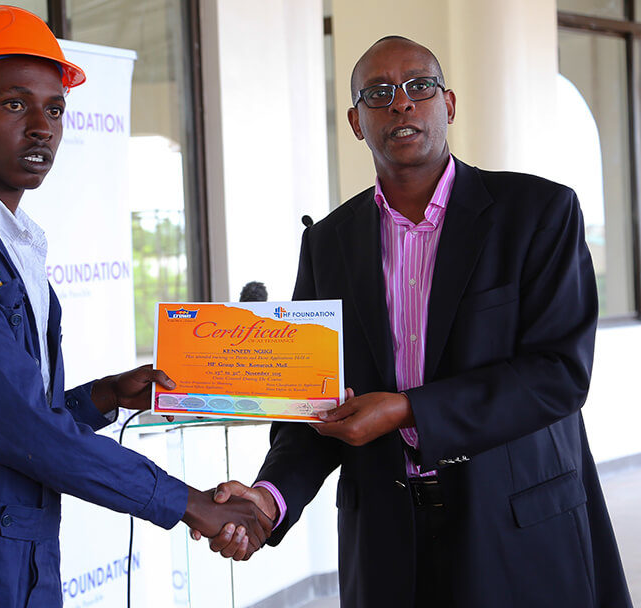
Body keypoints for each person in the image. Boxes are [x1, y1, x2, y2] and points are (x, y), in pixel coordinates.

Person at [0, 6, 270, 607]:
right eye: (15, 104)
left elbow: (13, 412)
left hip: (17, 557)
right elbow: (17, 427)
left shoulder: (12, 244)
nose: (43, 126)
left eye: (55, 108)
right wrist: (191, 504)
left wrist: (107, 397)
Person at [198, 36, 632, 607]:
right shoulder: (328, 243)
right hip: (385, 545)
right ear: (356, 121)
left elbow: (558, 375)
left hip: (517, 532)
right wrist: (268, 497)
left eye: (418, 86)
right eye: (378, 93)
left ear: (447, 104)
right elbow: (315, 402)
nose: (400, 103)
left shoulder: (537, 213)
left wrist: (406, 409)